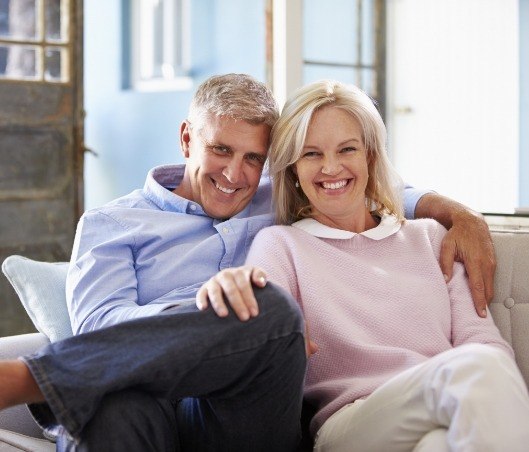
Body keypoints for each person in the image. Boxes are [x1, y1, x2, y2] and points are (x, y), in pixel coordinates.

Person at [0, 74, 498, 451]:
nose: (236, 175)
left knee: (269, 308)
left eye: (253, 158)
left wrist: (458, 214)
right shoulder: (112, 224)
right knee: (112, 408)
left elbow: (364, 181)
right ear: (187, 138)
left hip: (241, 413)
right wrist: (204, 318)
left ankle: (33, 378)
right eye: (220, 149)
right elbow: (97, 328)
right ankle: (52, 382)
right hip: (144, 393)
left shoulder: (276, 194)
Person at [232, 80, 529, 451]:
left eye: (347, 149)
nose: (331, 167)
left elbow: (482, 339)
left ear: (370, 156)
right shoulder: (281, 246)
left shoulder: (430, 238)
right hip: (352, 423)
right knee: (479, 367)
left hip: (447, 403)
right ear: (292, 168)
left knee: (438, 443)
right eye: (311, 154)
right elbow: (263, 329)